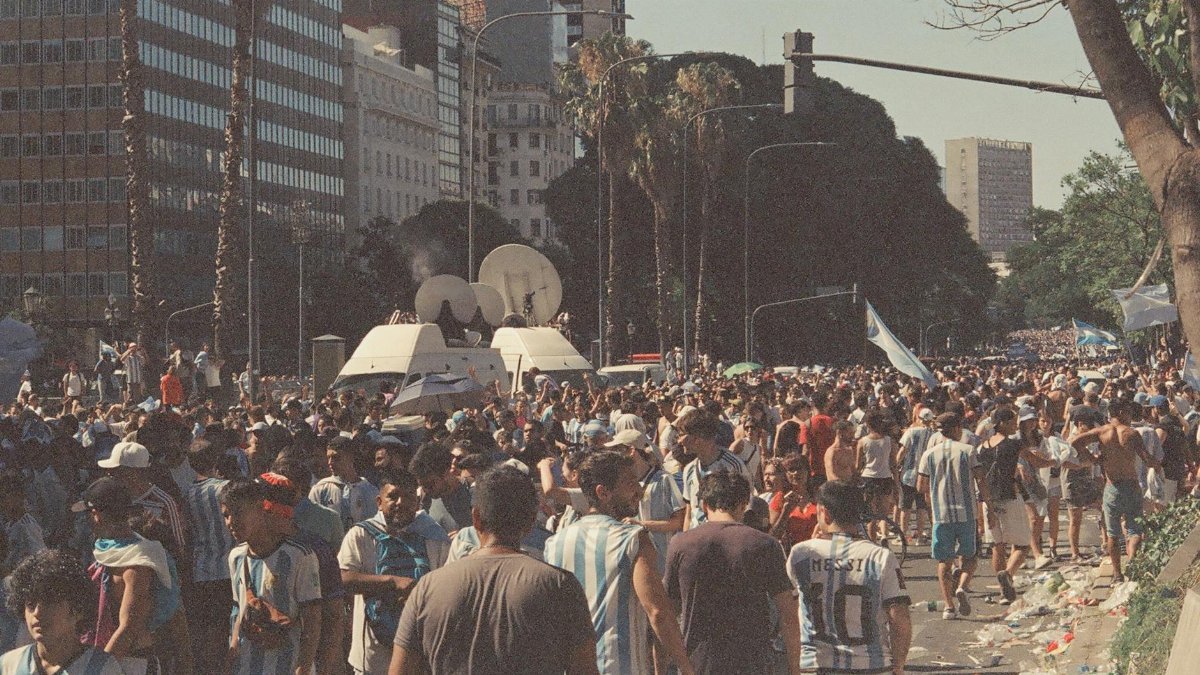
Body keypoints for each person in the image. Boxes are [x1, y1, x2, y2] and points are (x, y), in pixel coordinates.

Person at [390, 466, 597, 675]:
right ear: (531, 521)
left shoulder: (428, 587)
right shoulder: (559, 586)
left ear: (476, 518)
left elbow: (400, 670)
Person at [544, 451, 694, 675]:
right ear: (603, 492)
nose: (639, 491)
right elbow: (657, 612)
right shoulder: (632, 539)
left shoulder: (555, 544)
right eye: (629, 483)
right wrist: (686, 667)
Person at [664, 471, 802, 674]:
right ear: (744, 504)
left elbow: (665, 614)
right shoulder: (765, 545)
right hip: (753, 664)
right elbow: (788, 613)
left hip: (699, 664)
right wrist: (795, 669)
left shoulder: (681, 544)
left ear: (704, 505)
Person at [787, 479, 912, 674]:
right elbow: (900, 618)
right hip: (871, 664)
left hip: (815, 663)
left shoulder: (801, 554)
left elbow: (788, 613)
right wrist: (898, 665)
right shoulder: (880, 557)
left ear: (824, 513)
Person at [338, 469, 450, 674]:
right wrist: (392, 582)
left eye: (408, 496)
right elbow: (342, 579)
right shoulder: (361, 535)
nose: (400, 502)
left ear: (417, 503)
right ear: (379, 502)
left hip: (420, 656)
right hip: (372, 658)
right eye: (393, 496)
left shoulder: (435, 537)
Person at [73, 477, 188, 669]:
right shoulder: (108, 554)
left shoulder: (138, 563)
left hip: (132, 663)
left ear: (96, 515)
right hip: (106, 660)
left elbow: (128, 629)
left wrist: (97, 670)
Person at [222, 478, 323, 675]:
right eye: (226, 515)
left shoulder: (299, 556)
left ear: (261, 508)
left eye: (238, 513)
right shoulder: (236, 557)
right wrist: (230, 661)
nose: (231, 522)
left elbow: (313, 619)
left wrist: (303, 667)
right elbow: (238, 613)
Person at [1070, 398, 1162, 584]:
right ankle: (1132, 564)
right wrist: (1158, 465)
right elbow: (1147, 460)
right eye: (1127, 412)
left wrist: (1094, 458)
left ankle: (1117, 574)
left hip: (1112, 487)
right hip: (1131, 485)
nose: (1130, 416)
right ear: (1120, 413)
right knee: (1134, 530)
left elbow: (1074, 442)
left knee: (1112, 533)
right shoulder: (1131, 434)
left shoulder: (1101, 432)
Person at [0, 550, 130, 674]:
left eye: (50, 603)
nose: (37, 613)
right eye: (30, 604)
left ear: (77, 609)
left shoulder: (102, 669)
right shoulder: (9, 665)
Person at [918, 412, 988, 620]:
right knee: (970, 557)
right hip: (966, 513)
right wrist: (989, 507)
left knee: (944, 561)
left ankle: (948, 606)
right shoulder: (968, 451)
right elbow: (981, 480)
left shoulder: (929, 455)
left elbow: (921, 486)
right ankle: (962, 587)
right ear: (958, 428)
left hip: (941, 514)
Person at [605, 427, 685, 573]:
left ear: (632, 451)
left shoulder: (663, 480)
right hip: (635, 560)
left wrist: (642, 524)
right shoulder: (622, 483)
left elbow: (678, 522)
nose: (614, 455)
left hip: (663, 563)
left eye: (618, 449)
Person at [677, 409, 753, 530]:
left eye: (681, 435)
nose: (679, 441)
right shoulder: (689, 469)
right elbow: (689, 513)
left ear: (697, 438)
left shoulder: (732, 466)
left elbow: (746, 508)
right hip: (697, 541)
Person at [309, 435, 380, 531]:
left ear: (351, 457)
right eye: (328, 457)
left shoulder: (370, 491)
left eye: (336, 457)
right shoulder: (320, 490)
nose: (330, 462)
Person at [408, 442, 473, 536]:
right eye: (422, 486)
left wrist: (469, 535)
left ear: (446, 472)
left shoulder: (474, 492)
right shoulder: (424, 499)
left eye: (430, 485)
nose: (426, 490)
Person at [897, 408, 935, 544]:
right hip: (925, 475)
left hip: (908, 472)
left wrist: (896, 465)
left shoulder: (911, 431)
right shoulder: (934, 434)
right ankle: (919, 536)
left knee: (905, 507)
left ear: (918, 417)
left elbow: (903, 450)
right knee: (921, 507)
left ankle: (903, 536)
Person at [768, 454, 819, 549]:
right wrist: (785, 512)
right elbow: (772, 537)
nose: (796, 473)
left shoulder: (818, 497)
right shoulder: (779, 499)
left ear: (808, 471)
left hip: (815, 551)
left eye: (799, 469)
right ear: (785, 474)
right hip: (790, 552)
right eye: (791, 469)